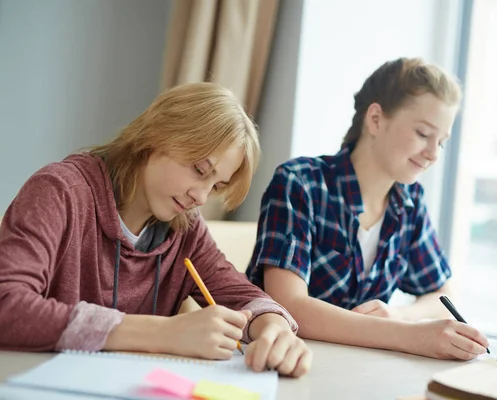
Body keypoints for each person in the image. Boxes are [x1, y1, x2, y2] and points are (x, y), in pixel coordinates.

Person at [0, 83, 312, 377]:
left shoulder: (186, 227)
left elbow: (241, 295)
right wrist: (162, 333)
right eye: (199, 169)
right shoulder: (60, 191)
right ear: (155, 137)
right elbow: (6, 304)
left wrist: (274, 328)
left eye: (216, 185)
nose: (201, 197)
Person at [246, 58, 489, 360]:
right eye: (424, 134)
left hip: (360, 369)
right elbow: (289, 305)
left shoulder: (410, 202)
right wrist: (408, 335)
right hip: (283, 363)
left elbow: (442, 295)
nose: (432, 155)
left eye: (440, 143)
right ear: (375, 119)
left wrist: (399, 316)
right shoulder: (300, 183)